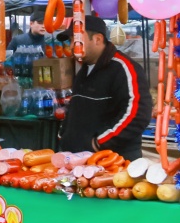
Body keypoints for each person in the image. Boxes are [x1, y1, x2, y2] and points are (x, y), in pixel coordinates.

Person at [58, 16, 151, 160]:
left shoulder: (123, 68)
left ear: (97, 39)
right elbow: (75, 107)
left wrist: (99, 143)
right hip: (78, 160)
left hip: (114, 160)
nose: (71, 46)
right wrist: (64, 135)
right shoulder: (84, 70)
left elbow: (137, 114)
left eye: (75, 41)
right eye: (71, 41)